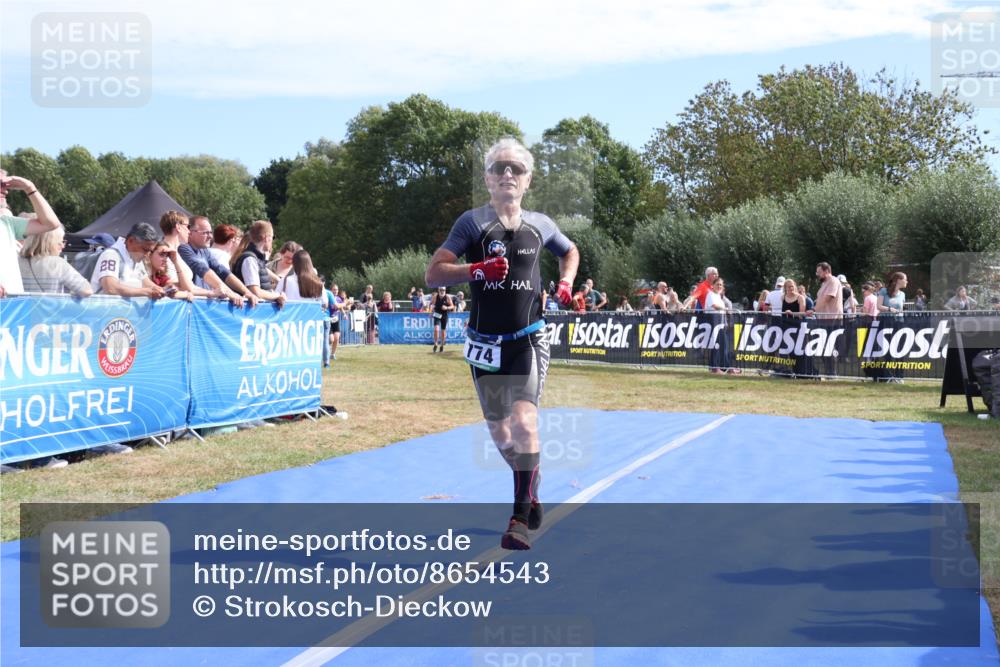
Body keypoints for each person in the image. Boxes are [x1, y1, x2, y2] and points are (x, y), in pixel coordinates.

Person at [425, 137, 578, 550]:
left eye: (517, 169)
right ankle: (531, 485)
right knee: (502, 435)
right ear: (488, 180)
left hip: (528, 339)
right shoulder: (472, 223)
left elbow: (571, 251)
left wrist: (565, 283)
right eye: (499, 169)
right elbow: (434, 275)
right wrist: (477, 270)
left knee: (526, 423)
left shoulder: (541, 224)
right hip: (483, 345)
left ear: (528, 180)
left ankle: (518, 518)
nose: (508, 174)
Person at [1, 170, 61, 296]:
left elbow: (51, 224)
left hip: (13, 307)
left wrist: (29, 187)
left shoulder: (6, 222)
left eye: (5, 185)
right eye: (0, 185)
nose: (5, 191)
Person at [180, 215, 258, 308]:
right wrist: (230, 293)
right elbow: (203, 270)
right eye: (205, 233)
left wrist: (247, 292)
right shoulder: (183, 248)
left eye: (210, 232)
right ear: (191, 233)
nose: (210, 236)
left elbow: (222, 271)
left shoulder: (204, 251)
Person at [90, 222, 165, 298]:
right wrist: (146, 292)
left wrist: (162, 291)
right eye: (145, 250)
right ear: (130, 241)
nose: (147, 255)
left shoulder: (135, 257)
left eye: (150, 251)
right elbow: (111, 288)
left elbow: (145, 283)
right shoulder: (111, 255)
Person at [18, 223, 92, 297]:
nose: (63, 246)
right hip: (51, 308)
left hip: (21, 307)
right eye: (60, 242)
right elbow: (86, 290)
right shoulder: (58, 263)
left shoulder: (16, 261)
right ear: (49, 243)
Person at [230, 220, 287, 307]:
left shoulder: (256, 259)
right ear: (266, 238)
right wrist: (277, 295)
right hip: (248, 314)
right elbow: (256, 292)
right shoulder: (250, 259)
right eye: (272, 237)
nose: (272, 241)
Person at [430, 286, 455, 353]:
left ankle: (441, 345)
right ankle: (435, 344)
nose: (442, 291)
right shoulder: (436, 296)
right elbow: (432, 304)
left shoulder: (447, 297)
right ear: (438, 290)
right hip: (437, 314)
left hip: (444, 315)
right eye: (441, 290)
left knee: (443, 331)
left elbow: (452, 306)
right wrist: (431, 312)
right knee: (436, 329)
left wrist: (446, 307)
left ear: (445, 290)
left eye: (443, 290)